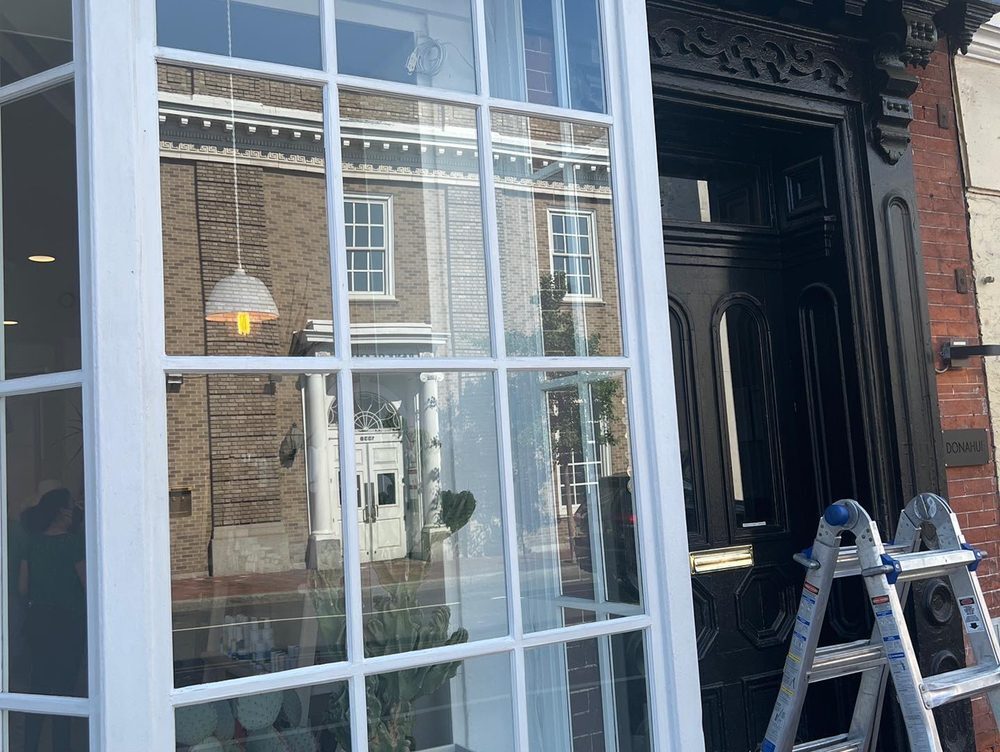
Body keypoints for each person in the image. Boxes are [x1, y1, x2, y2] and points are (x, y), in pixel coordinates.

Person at [19, 487, 86, 751]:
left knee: (38, 685)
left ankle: (30, 745)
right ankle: (61, 746)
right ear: (62, 512)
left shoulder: (32, 542)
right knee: (64, 691)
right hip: (68, 623)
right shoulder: (73, 544)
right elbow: (87, 584)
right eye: (72, 506)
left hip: (39, 621)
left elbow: (23, 587)